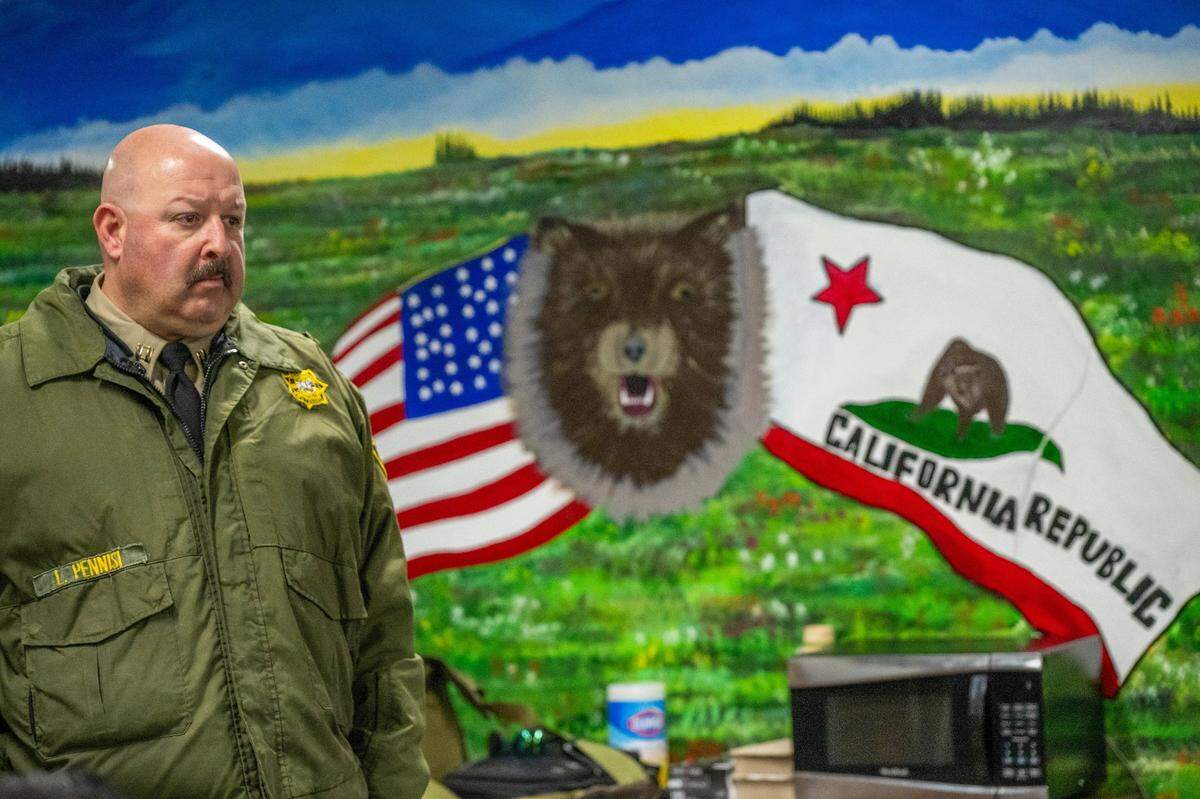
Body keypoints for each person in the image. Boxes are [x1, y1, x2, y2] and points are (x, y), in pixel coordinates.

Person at [0, 125, 429, 799]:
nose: (217, 245)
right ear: (112, 231)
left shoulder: (308, 385)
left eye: (233, 221)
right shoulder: (12, 393)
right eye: (187, 219)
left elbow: (384, 636)